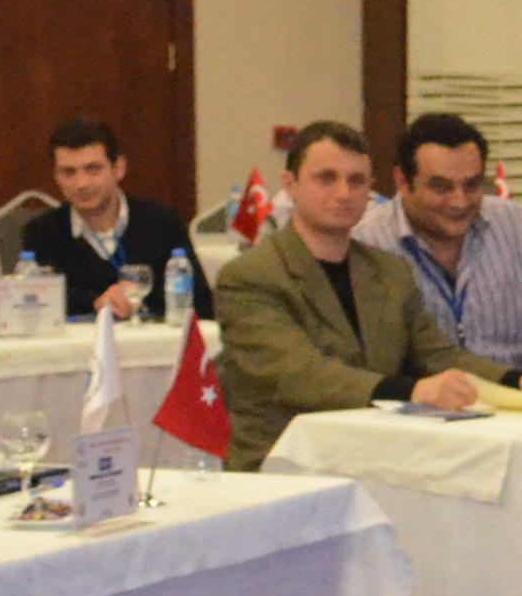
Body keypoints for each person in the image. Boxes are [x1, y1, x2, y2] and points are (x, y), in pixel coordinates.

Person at [212, 119, 504, 471]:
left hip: (379, 456)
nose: (344, 193)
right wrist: (413, 391)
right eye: (326, 178)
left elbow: (437, 354)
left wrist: (518, 381)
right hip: (284, 464)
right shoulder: (251, 276)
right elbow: (301, 375)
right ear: (290, 185)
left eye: (356, 181)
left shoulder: (389, 271)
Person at [357, 113, 522, 377]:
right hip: (415, 400)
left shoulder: (515, 226)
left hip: (512, 397)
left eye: (472, 185)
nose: (459, 202)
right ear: (402, 182)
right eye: (441, 188)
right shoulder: (367, 242)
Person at [11, 119, 184, 318]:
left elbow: (197, 301)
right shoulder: (42, 232)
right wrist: (95, 302)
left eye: (93, 169)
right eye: (68, 172)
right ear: (56, 177)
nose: (81, 183)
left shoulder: (162, 222)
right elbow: (36, 305)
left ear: (118, 168)